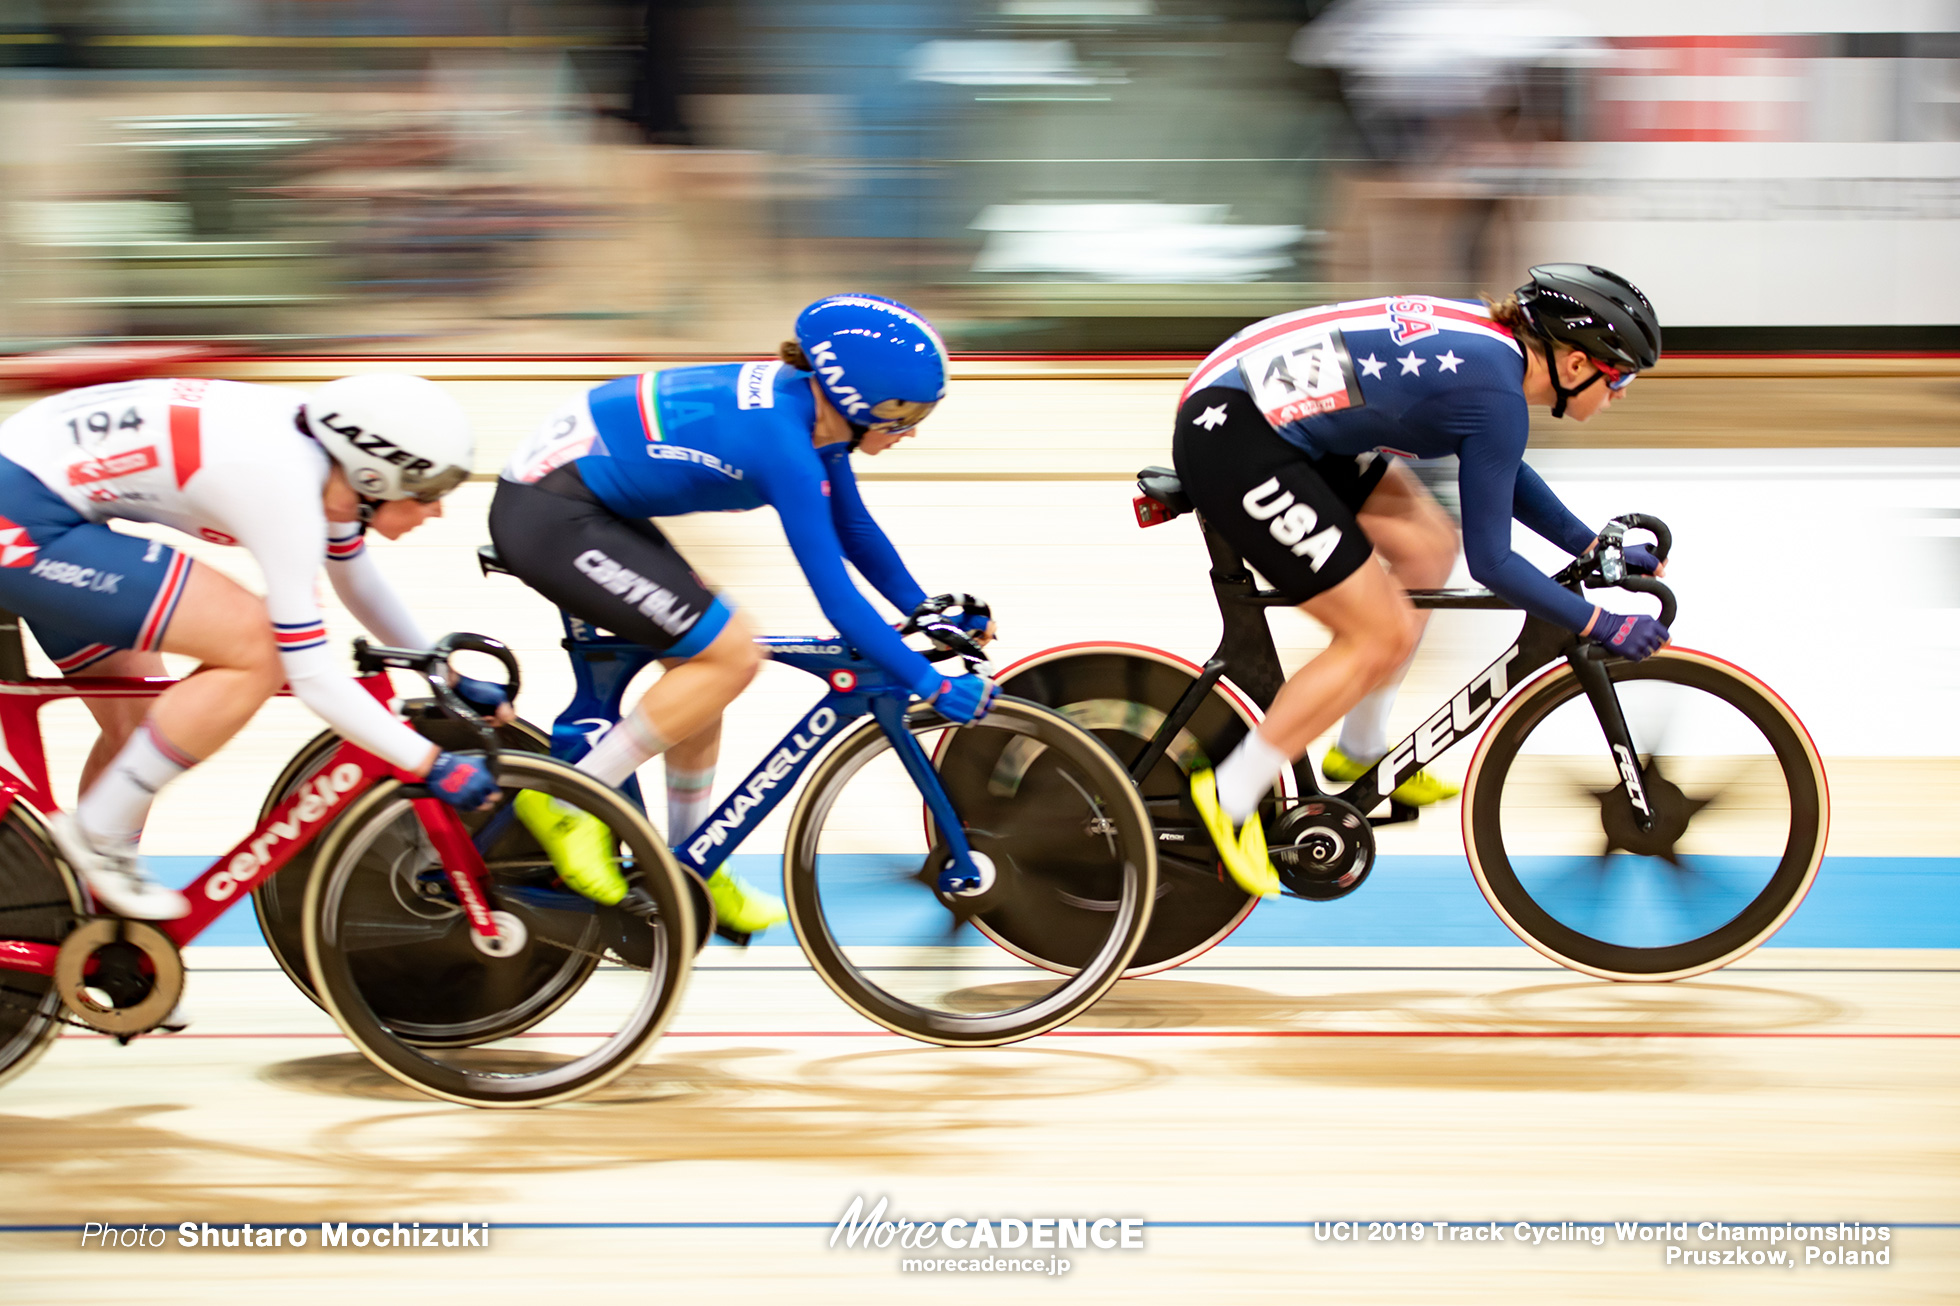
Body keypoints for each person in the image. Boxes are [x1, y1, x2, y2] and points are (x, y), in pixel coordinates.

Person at [489, 293, 996, 935]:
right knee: (732, 654)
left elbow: (855, 530)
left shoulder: (815, 418)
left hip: (586, 502)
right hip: (553, 512)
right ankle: (566, 799)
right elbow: (838, 601)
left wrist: (926, 610)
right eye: (905, 414)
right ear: (857, 399)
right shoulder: (785, 444)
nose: (912, 431)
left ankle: (688, 863)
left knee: (705, 668)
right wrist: (932, 684)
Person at [1178, 264, 1668, 896]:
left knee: (1430, 547)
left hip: (1263, 410)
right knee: (1374, 636)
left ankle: (1358, 747)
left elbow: (1496, 463)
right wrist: (1600, 623)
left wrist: (1588, 544)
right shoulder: (1496, 393)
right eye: (1620, 375)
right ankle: (1231, 790)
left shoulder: (1496, 361)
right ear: (1574, 365)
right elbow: (1496, 564)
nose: (1622, 392)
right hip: (1238, 433)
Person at [0, 373, 506, 921]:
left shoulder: (324, 464)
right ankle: (95, 835)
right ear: (372, 475)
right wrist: (429, 761)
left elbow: (354, 577)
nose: (436, 513)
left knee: (142, 727)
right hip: (28, 518)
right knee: (261, 648)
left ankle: (86, 928)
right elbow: (308, 673)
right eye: (427, 493)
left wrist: (441, 673)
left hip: (42, 499)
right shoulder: (283, 484)